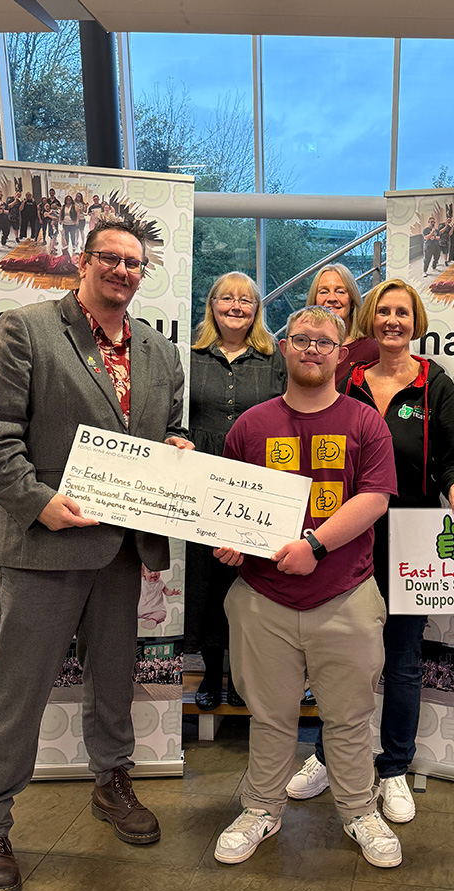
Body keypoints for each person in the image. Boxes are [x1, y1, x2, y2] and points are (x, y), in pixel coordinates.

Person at [0, 218, 193, 891]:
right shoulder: (29, 330)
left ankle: (111, 782)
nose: (122, 271)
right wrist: (38, 502)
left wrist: (179, 446)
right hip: (45, 544)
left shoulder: (157, 351)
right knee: (19, 690)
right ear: (84, 263)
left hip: (124, 546)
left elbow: (171, 425)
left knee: (114, 676)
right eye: (110, 259)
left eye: (134, 262)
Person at [212, 305, 402, 868]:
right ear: (284, 349)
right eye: (301, 340)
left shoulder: (366, 423)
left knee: (348, 716)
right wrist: (229, 541)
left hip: (344, 594)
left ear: (342, 354)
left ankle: (359, 810)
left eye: (324, 341)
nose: (312, 349)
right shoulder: (249, 425)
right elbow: (230, 500)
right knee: (270, 716)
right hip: (261, 599)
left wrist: (316, 546)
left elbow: (373, 499)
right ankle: (261, 810)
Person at [287, 278, 454, 825]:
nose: (393, 321)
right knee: (341, 655)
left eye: (403, 312)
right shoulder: (346, 380)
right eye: (385, 312)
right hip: (345, 533)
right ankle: (326, 755)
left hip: (411, 535)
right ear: (371, 321)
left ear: (416, 321)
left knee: (402, 659)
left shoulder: (433, 383)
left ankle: (393, 768)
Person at [185, 272, 286, 709]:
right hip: (202, 476)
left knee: (250, 575)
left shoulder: (273, 356)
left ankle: (247, 678)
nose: (236, 306)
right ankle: (211, 673)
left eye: (246, 300)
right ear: (212, 304)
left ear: (257, 310)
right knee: (208, 577)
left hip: (257, 476)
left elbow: (288, 413)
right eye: (227, 298)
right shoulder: (189, 354)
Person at [305, 263, 377, 386]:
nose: (332, 298)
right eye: (323, 292)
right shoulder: (302, 349)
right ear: (314, 300)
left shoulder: (372, 350)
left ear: (352, 300)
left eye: (340, 292)